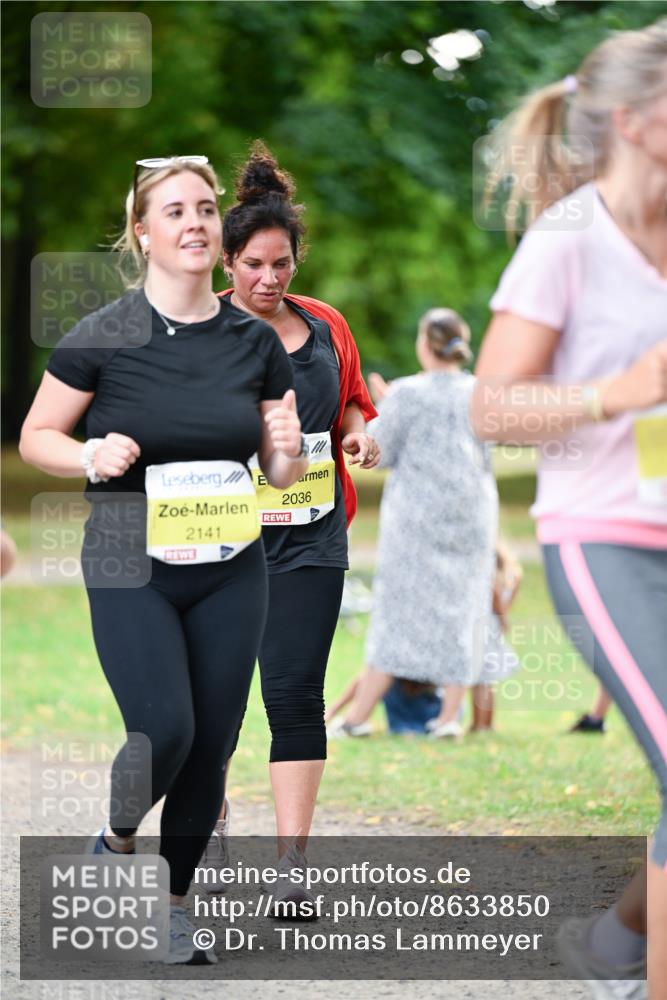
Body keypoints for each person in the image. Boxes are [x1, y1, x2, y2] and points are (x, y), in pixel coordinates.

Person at [19, 156, 307, 963]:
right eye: (174, 210)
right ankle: (116, 836)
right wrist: (88, 454)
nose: (194, 222)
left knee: (213, 740)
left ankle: (173, 904)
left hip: (228, 560)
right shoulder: (102, 334)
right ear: (142, 232)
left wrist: (282, 452)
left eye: (206, 209)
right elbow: (37, 436)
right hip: (127, 558)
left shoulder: (254, 342)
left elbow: (278, 474)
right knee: (164, 730)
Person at [471, 21, 667, 998]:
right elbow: (491, 406)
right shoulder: (569, 240)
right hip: (604, 536)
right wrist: (611, 393)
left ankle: (612, 947)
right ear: (635, 120)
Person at [201, 143, 378, 900]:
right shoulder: (197, 330)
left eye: (281, 264)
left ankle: (292, 870)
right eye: (253, 265)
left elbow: (350, 403)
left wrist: (357, 434)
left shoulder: (327, 324)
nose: (268, 279)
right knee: (212, 699)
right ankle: (205, 839)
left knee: (296, 693)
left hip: (309, 535)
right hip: (217, 538)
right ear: (226, 263)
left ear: (295, 262)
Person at [328, 307, 498, 741]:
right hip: (474, 514)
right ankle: (448, 718)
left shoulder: (407, 393)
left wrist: (385, 407)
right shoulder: (481, 392)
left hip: (416, 518)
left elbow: (376, 452)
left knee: (397, 610)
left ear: (425, 344)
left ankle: (358, 716)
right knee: (466, 608)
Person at [469, 539, 522, 733]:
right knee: (487, 680)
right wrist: (503, 620)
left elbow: (496, 598)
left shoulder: (490, 581)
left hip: (483, 627)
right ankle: (486, 724)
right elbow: (507, 602)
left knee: (480, 680)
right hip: (494, 628)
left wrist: (502, 618)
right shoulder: (513, 577)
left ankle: (479, 724)